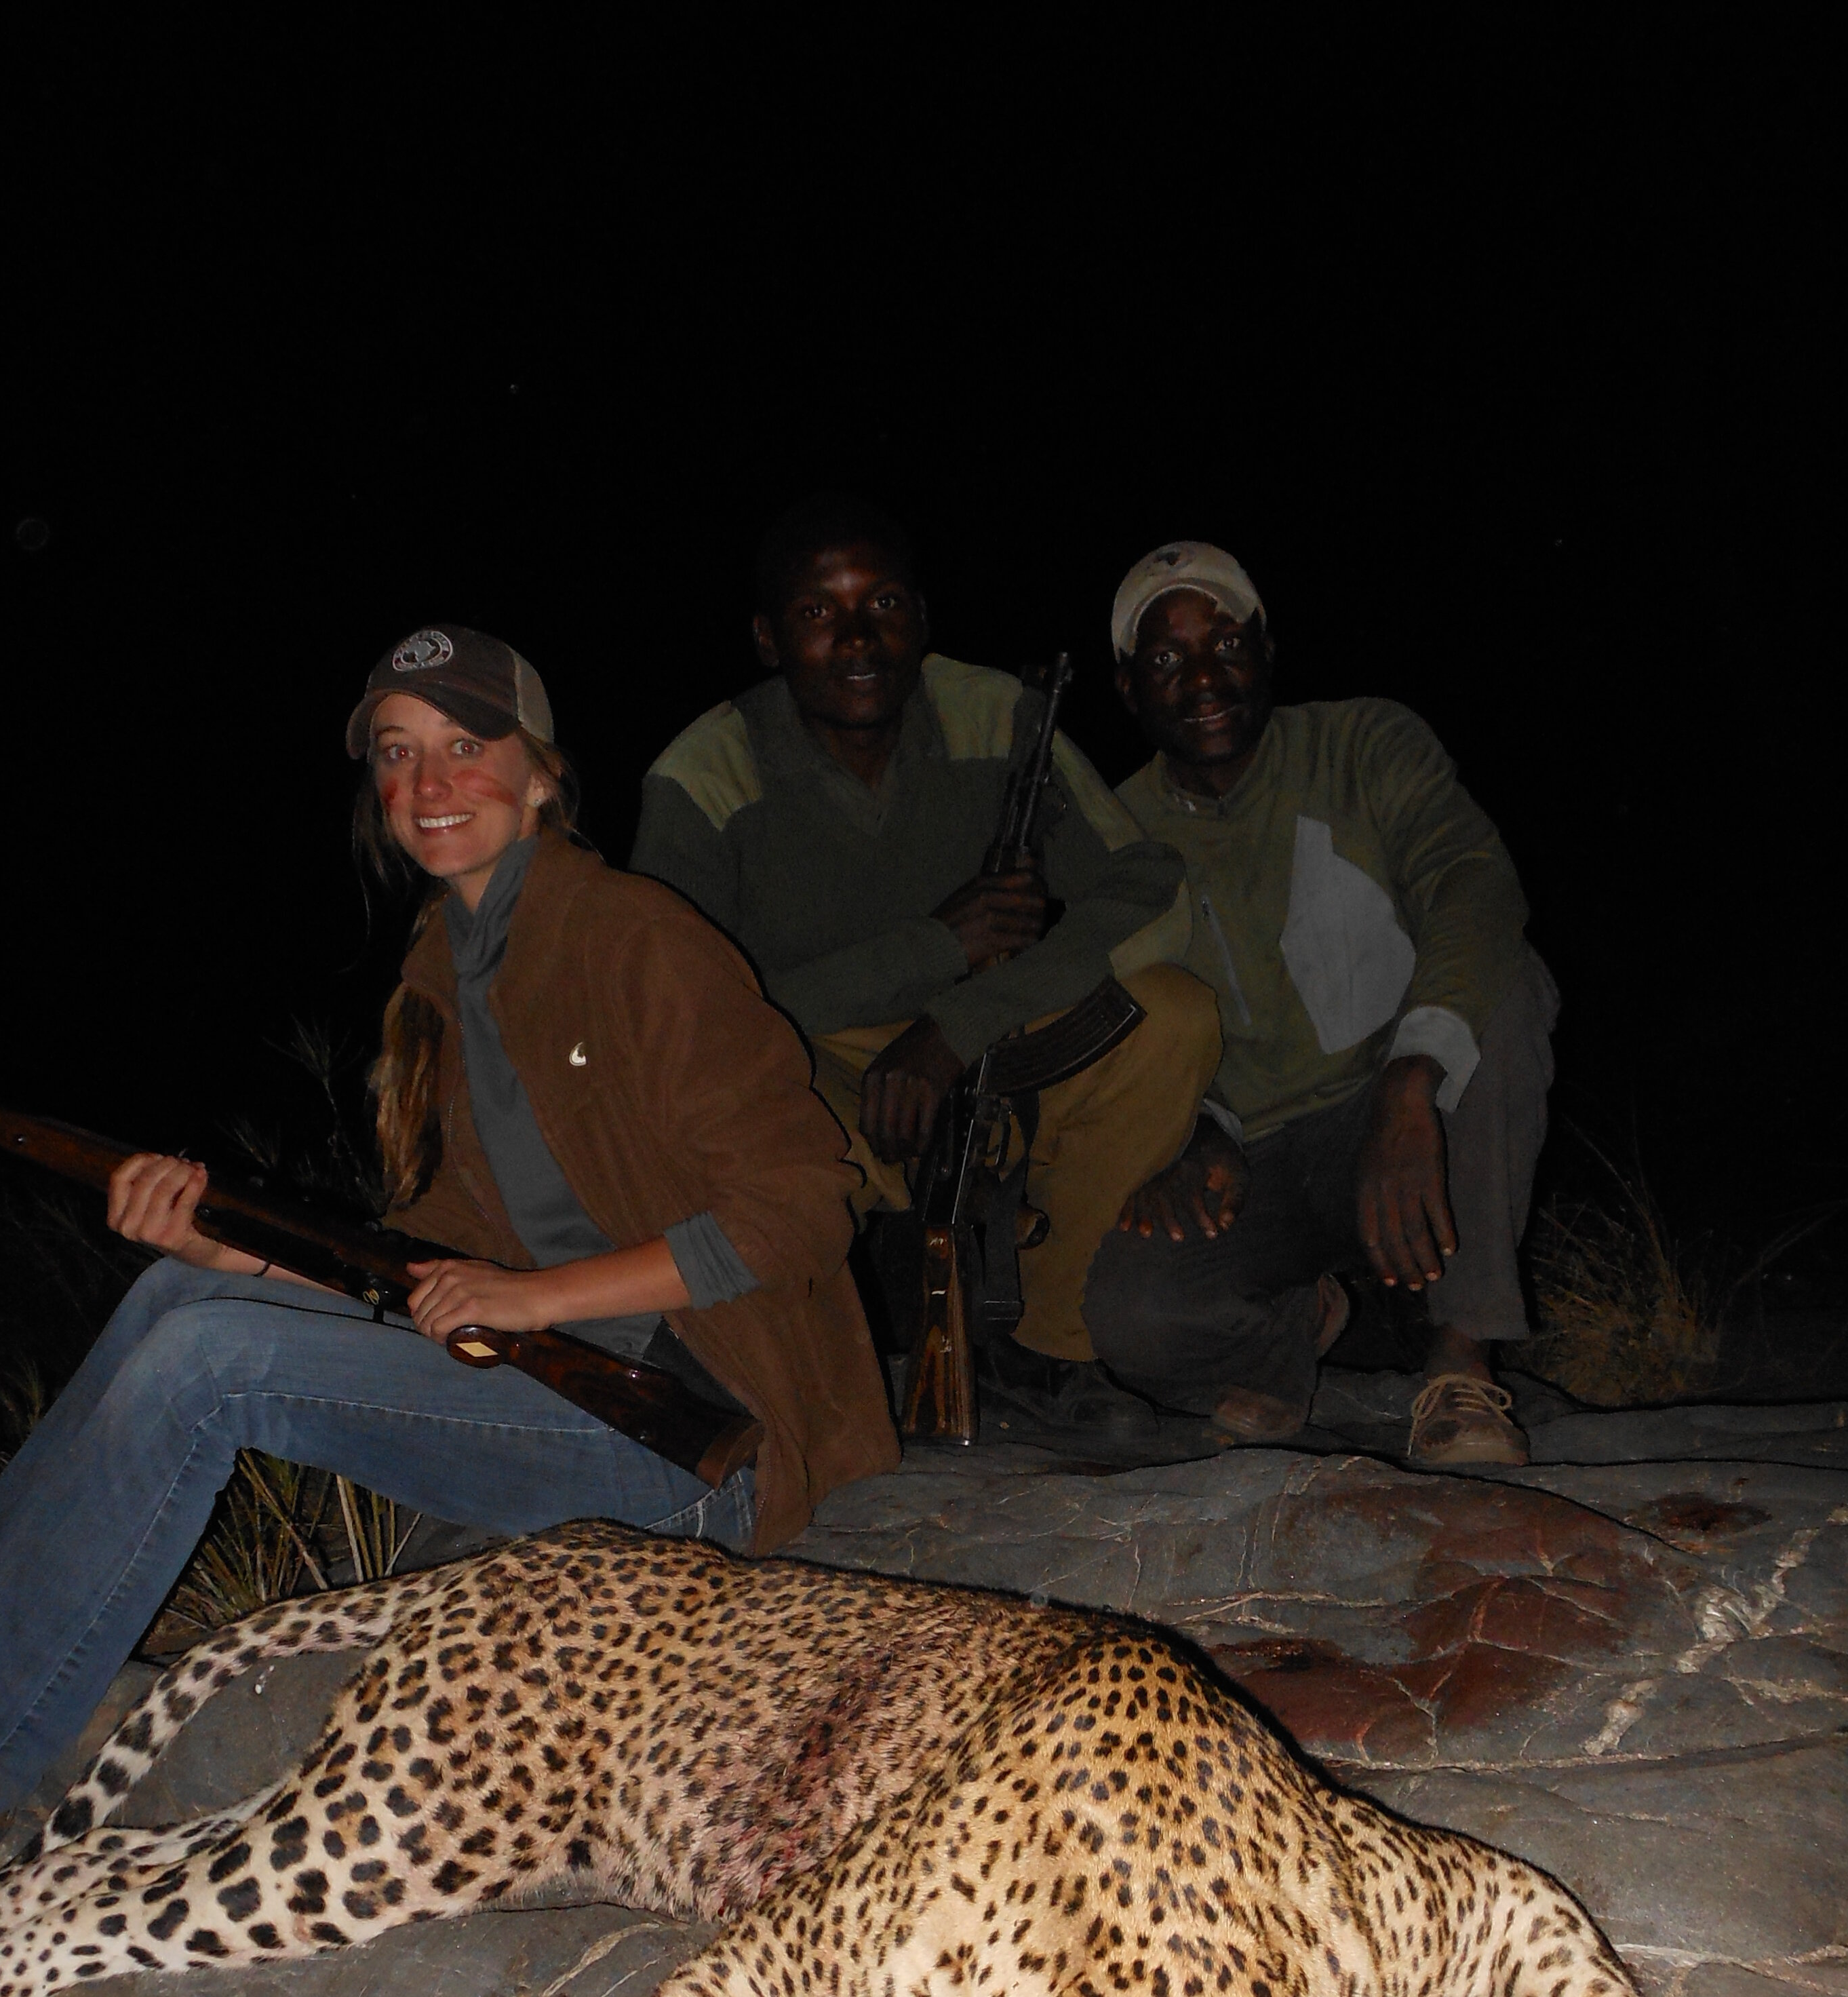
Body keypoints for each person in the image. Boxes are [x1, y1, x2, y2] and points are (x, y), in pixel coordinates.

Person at [0, 623, 894, 1880]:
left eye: (466, 748)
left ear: (542, 774)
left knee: (207, 1366)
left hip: (699, 1438)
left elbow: (803, 1206)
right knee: (180, 1296)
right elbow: (440, 1257)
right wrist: (244, 1256)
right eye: (397, 755)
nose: (430, 786)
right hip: (559, 1373)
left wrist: (529, 1295)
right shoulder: (444, 975)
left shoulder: (636, 937)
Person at [629, 496, 1219, 1441]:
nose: (860, 639)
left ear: (923, 621)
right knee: (732, 1126)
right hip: (810, 1063)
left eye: (886, 605)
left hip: (984, 1044)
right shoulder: (707, 774)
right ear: (769, 638)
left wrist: (959, 1023)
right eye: (820, 614)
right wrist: (933, 949)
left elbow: (1150, 892)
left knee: (1172, 1013)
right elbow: (669, 1016)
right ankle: (783, 1376)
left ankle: (1051, 1351)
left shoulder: (1001, 716)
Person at [1085, 542, 1558, 1467]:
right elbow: (1130, 1015)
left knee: (1506, 987)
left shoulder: (1365, 741)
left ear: (1265, 648)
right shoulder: (1111, 830)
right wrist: (1197, 1136)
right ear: (1129, 687)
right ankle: (1287, 1337)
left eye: (1226, 644)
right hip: (1253, 1155)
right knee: (1132, 1315)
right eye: (1167, 660)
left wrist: (1411, 1079)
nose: (1205, 678)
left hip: (1402, 1124)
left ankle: (1461, 1363)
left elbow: (1473, 881)